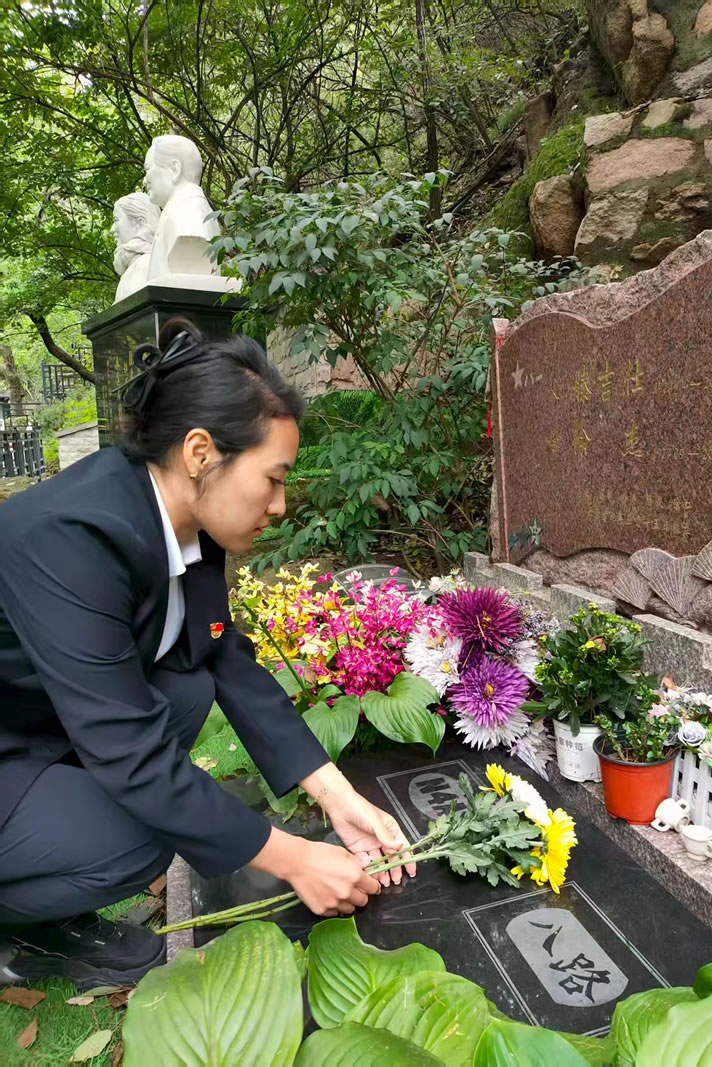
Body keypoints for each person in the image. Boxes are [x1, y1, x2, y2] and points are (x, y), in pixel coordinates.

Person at [0, 318, 415, 991]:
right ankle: (20, 921)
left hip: (45, 728)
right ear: (201, 452)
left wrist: (337, 795)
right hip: (13, 749)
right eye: (272, 479)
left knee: (187, 686)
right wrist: (295, 859)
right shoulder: (69, 539)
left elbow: (223, 658)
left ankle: (50, 870)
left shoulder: (183, 519)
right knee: (144, 833)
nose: (280, 505)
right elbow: (131, 754)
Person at [144, 135, 220, 281]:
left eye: (148, 169)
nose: (145, 180)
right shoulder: (182, 210)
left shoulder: (188, 213)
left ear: (175, 169)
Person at [111, 192, 161, 302]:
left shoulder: (146, 266)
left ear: (140, 223)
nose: (112, 229)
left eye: (116, 220)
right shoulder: (134, 266)